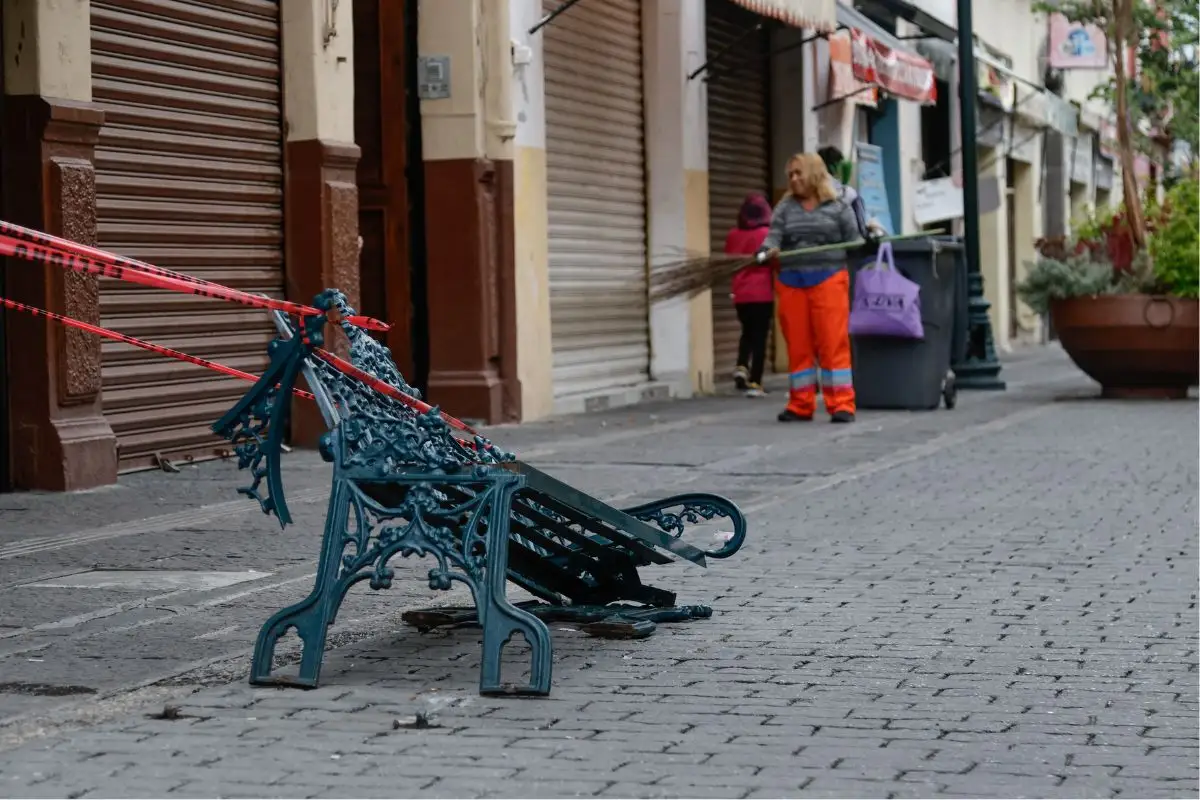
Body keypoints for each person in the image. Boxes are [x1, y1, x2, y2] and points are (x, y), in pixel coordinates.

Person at [757, 152, 861, 424]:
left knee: (832, 343)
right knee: (798, 346)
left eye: (798, 173)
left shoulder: (838, 206)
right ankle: (800, 404)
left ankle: (841, 404)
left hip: (829, 279)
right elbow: (774, 236)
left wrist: (866, 240)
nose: (793, 179)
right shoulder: (785, 207)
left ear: (814, 174)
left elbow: (854, 240)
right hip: (792, 281)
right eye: (790, 175)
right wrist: (767, 251)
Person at [724, 192, 775, 398]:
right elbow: (774, 262)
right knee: (760, 337)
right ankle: (755, 380)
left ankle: (741, 366)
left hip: (740, 294)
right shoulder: (766, 233)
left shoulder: (733, 234)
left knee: (747, 332)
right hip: (762, 294)